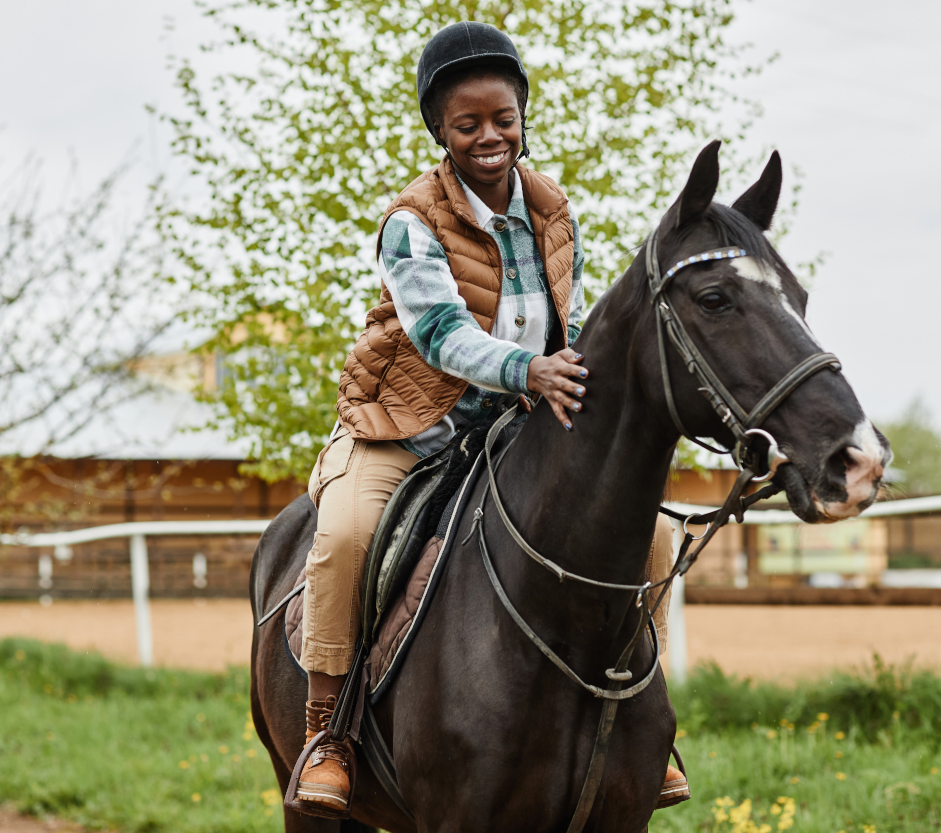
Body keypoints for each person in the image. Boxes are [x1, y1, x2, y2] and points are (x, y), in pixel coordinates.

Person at [291, 21, 687, 817]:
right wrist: (529, 370)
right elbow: (440, 336)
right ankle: (328, 729)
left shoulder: (550, 208)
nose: (489, 136)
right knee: (343, 533)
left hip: (515, 424)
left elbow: (559, 322)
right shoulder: (411, 221)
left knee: (655, 534)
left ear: (522, 115)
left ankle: (638, 708)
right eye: (467, 124)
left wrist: (580, 370)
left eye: (501, 118)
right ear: (441, 130)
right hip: (409, 424)